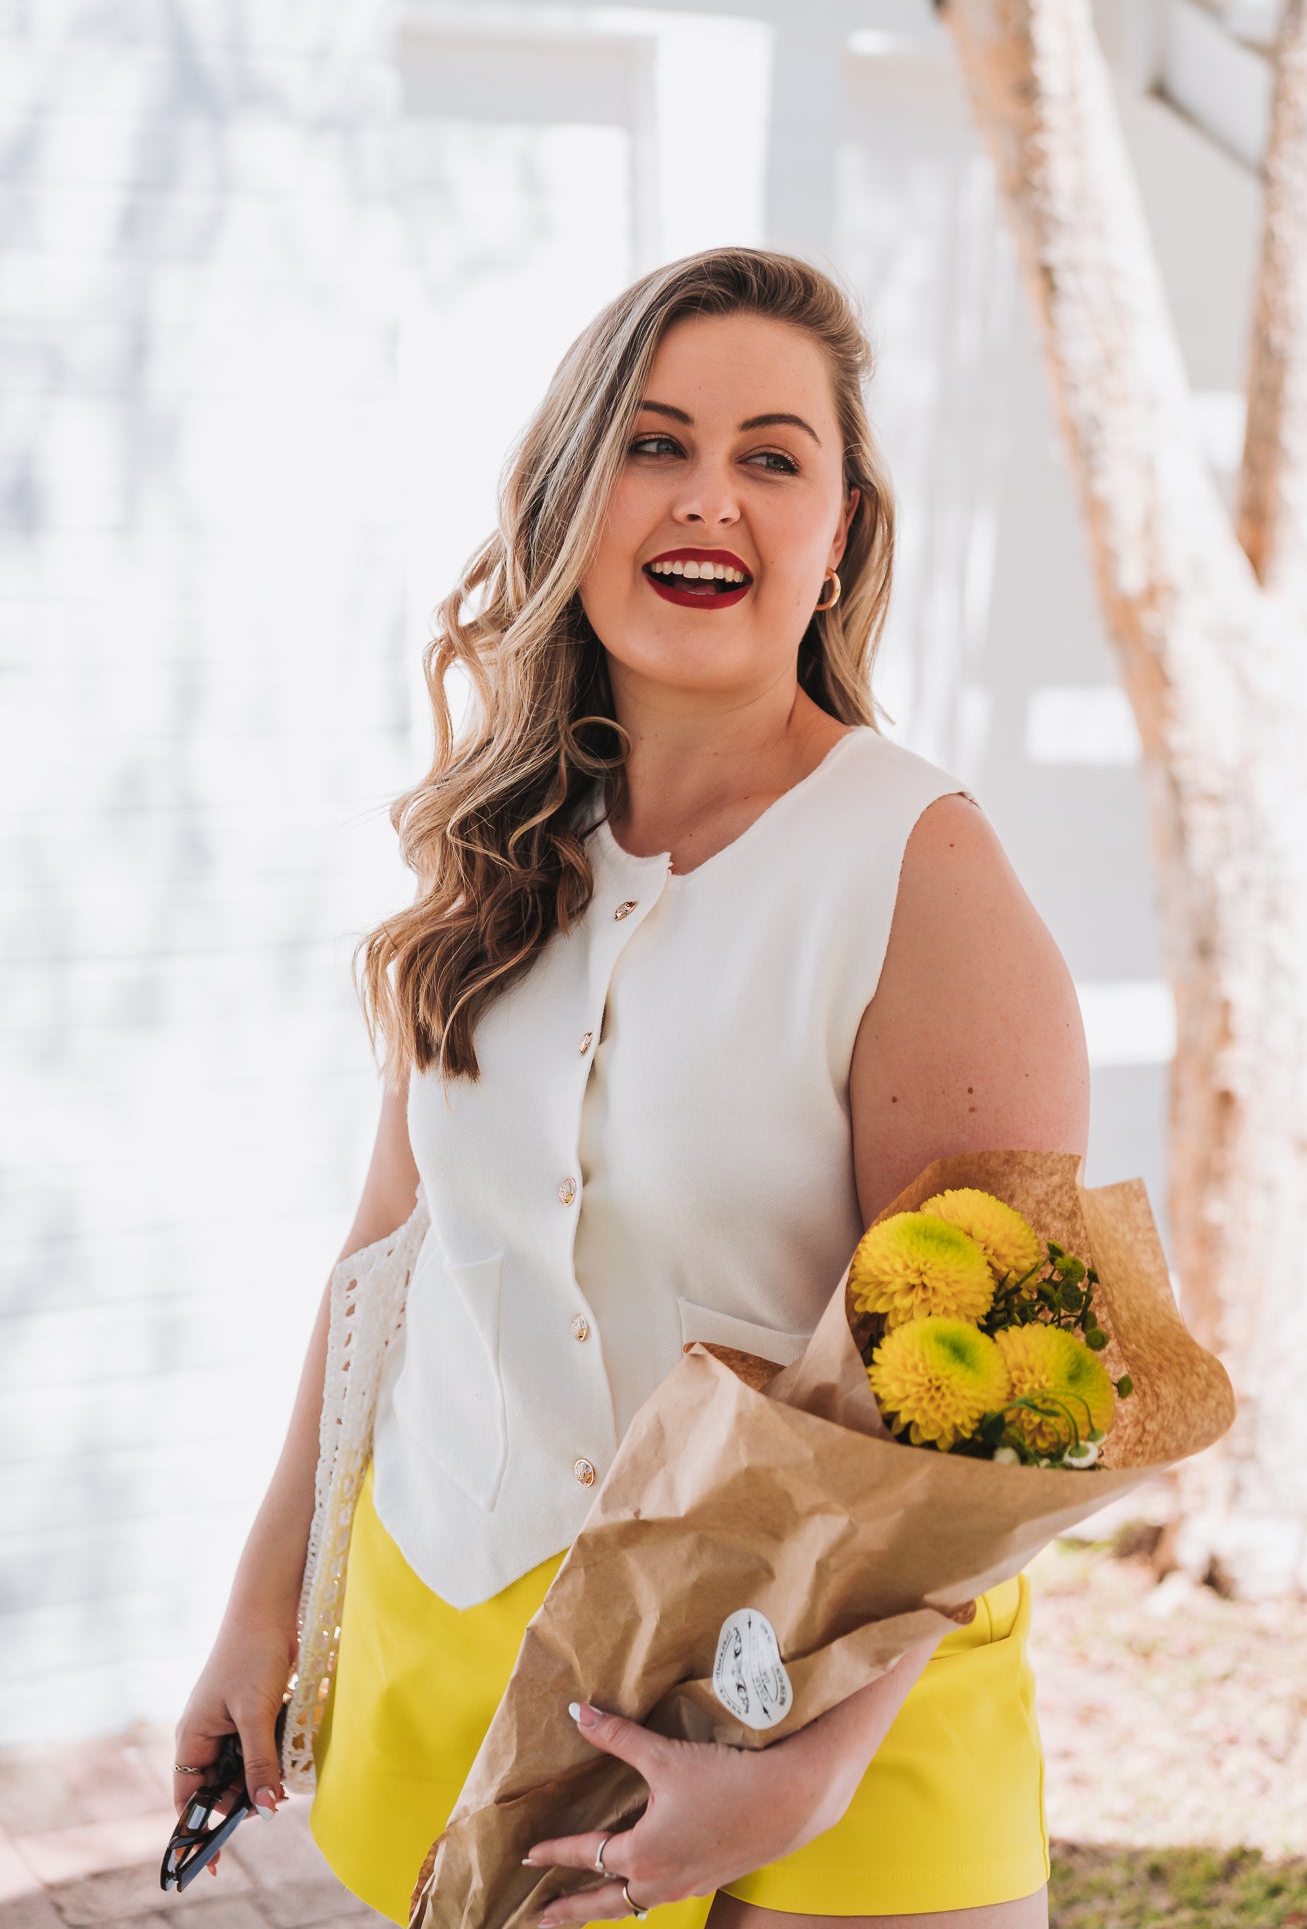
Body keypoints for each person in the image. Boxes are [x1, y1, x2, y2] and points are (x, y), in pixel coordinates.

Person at [175, 246, 1088, 1929]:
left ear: (838, 539)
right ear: (572, 501)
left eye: (771, 456)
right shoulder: (497, 860)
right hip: (456, 1678)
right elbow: (390, 1253)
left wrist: (804, 1763)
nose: (707, 497)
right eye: (654, 444)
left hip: (839, 1742)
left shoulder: (917, 865)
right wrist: (256, 1615)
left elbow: (1004, 1397)